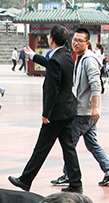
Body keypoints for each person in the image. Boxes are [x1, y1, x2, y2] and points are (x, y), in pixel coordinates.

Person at [9, 25, 82, 194]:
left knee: (41, 147)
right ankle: (76, 183)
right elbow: (51, 64)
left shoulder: (57, 59)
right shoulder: (66, 55)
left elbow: (52, 90)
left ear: (51, 39)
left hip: (56, 113)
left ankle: (25, 180)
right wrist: (33, 56)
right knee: (69, 148)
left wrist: (46, 114)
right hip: (68, 110)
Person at [50, 28, 109, 190]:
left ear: (88, 43)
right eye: (74, 40)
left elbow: (96, 85)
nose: (75, 43)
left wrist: (95, 108)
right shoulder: (80, 58)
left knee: (69, 145)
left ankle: (68, 175)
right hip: (86, 111)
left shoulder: (88, 60)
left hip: (83, 112)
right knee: (91, 143)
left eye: (80, 41)